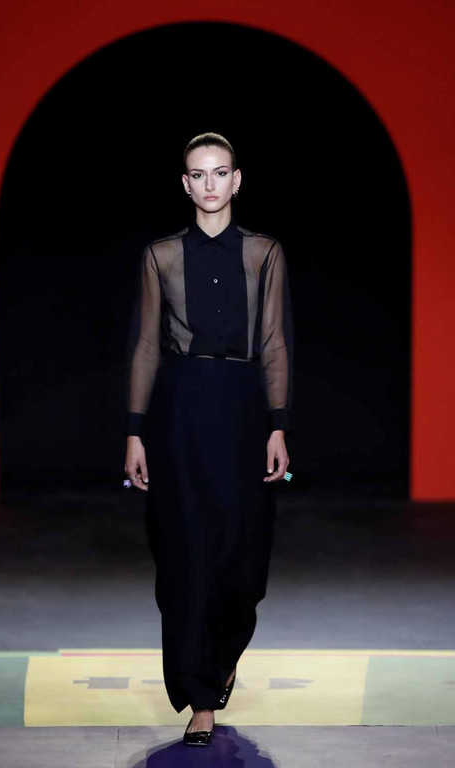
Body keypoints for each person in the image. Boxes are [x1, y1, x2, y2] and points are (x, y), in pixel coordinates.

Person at [124, 132, 293, 746]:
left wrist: (278, 424)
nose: (210, 184)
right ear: (186, 184)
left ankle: (223, 657)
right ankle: (200, 699)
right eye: (199, 174)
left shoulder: (264, 253)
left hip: (245, 412)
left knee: (244, 562)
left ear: (237, 180)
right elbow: (147, 345)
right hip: (180, 414)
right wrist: (135, 432)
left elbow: (273, 341)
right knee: (185, 554)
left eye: (220, 172)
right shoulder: (161, 255)